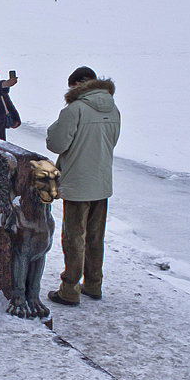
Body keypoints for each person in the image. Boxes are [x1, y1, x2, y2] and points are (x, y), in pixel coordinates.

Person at [45, 66, 120, 306]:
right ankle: (93, 284)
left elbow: (56, 144)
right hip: (102, 182)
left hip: (78, 184)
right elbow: (113, 141)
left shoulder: (75, 109)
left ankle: (69, 290)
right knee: (96, 237)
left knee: (74, 238)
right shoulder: (113, 108)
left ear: (77, 85)